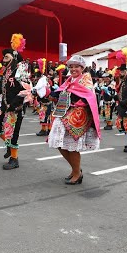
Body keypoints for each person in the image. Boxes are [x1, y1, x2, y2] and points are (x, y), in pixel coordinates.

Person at [47, 55, 101, 185]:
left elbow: (87, 97)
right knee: (59, 144)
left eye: (76, 66)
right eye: (71, 67)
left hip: (77, 117)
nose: (73, 69)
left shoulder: (86, 80)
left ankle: (77, 173)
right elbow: (61, 91)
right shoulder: (70, 79)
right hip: (64, 114)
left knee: (72, 146)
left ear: (82, 68)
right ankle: (76, 169)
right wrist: (52, 94)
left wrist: (73, 100)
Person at [0, 34, 30, 169]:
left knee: (13, 132)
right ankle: (9, 146)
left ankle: (14, 159)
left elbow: (26, 89)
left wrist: (13, 105)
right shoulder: (5, 73)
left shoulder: (20, 69)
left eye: (6, 57)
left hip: (16, 107)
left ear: (14, 58)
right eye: (4, 57)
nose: (3, 60)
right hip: (4, 105)